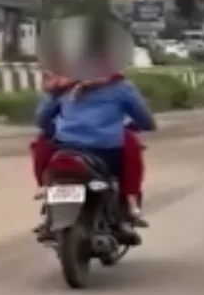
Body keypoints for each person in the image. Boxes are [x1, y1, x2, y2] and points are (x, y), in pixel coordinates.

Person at [33, 18, 156, 243]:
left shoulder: (59, 86)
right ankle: (128, 208)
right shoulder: (121, 87)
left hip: (65, 148)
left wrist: (55, 124)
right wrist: (142, 125)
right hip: (105, 151)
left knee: (41, 141)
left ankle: (45, 195)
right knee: (131, 147)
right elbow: (144, 119)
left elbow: (42, 119)